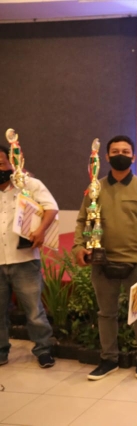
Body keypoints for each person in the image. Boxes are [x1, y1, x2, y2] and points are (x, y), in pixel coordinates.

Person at [72, 135, 137, 381]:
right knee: (106, 313)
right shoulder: (95, 188)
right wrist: (79, 247)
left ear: (133, 156)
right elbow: (82, 221)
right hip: (102, 262)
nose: (120, 155)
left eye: (125, 151)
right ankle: (108, 359)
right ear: (107, 157)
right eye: (115, 151)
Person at [0, 144, 58, 368]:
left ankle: (43, 350)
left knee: (34, 311)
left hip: (25, 260)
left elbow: (51, 207)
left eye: (1, 163)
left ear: (11, 163)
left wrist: (41, 230)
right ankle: (1, 351)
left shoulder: (29, 184)